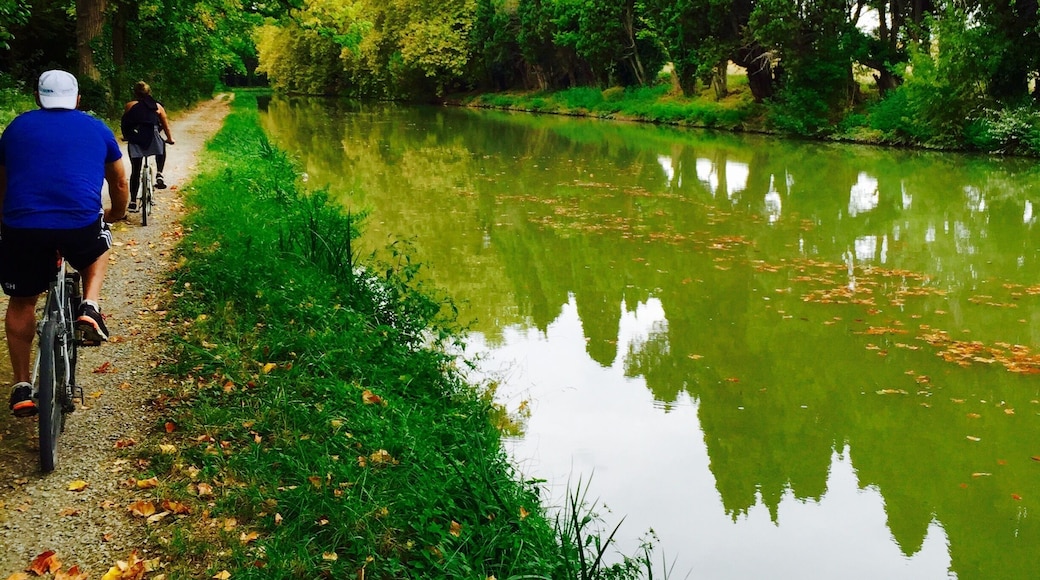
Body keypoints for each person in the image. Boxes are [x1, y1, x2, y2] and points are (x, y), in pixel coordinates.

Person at [0, 69, 129, 417]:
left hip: (22, 225)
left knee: (22, 300)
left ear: (38, 97)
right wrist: (116, 214)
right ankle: (89, 305)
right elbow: (118, 184)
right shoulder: (97, 128)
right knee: (99, 244)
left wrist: (7, 221)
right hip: (78, 223)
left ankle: (23, 386)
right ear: (77, 99)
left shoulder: (15, 129)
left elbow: (3, 182)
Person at [120, 81, 174, 212]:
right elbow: (165, 125)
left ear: (135, 93)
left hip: (136, 138)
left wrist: (126, 136)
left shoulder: (130, 105)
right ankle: (159, 173)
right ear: (149, 93)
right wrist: (170, 139)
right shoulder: (157, 106)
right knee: (161, 146)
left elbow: (125, 122)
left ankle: (133, 201)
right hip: (152, 138)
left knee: (135, 170)